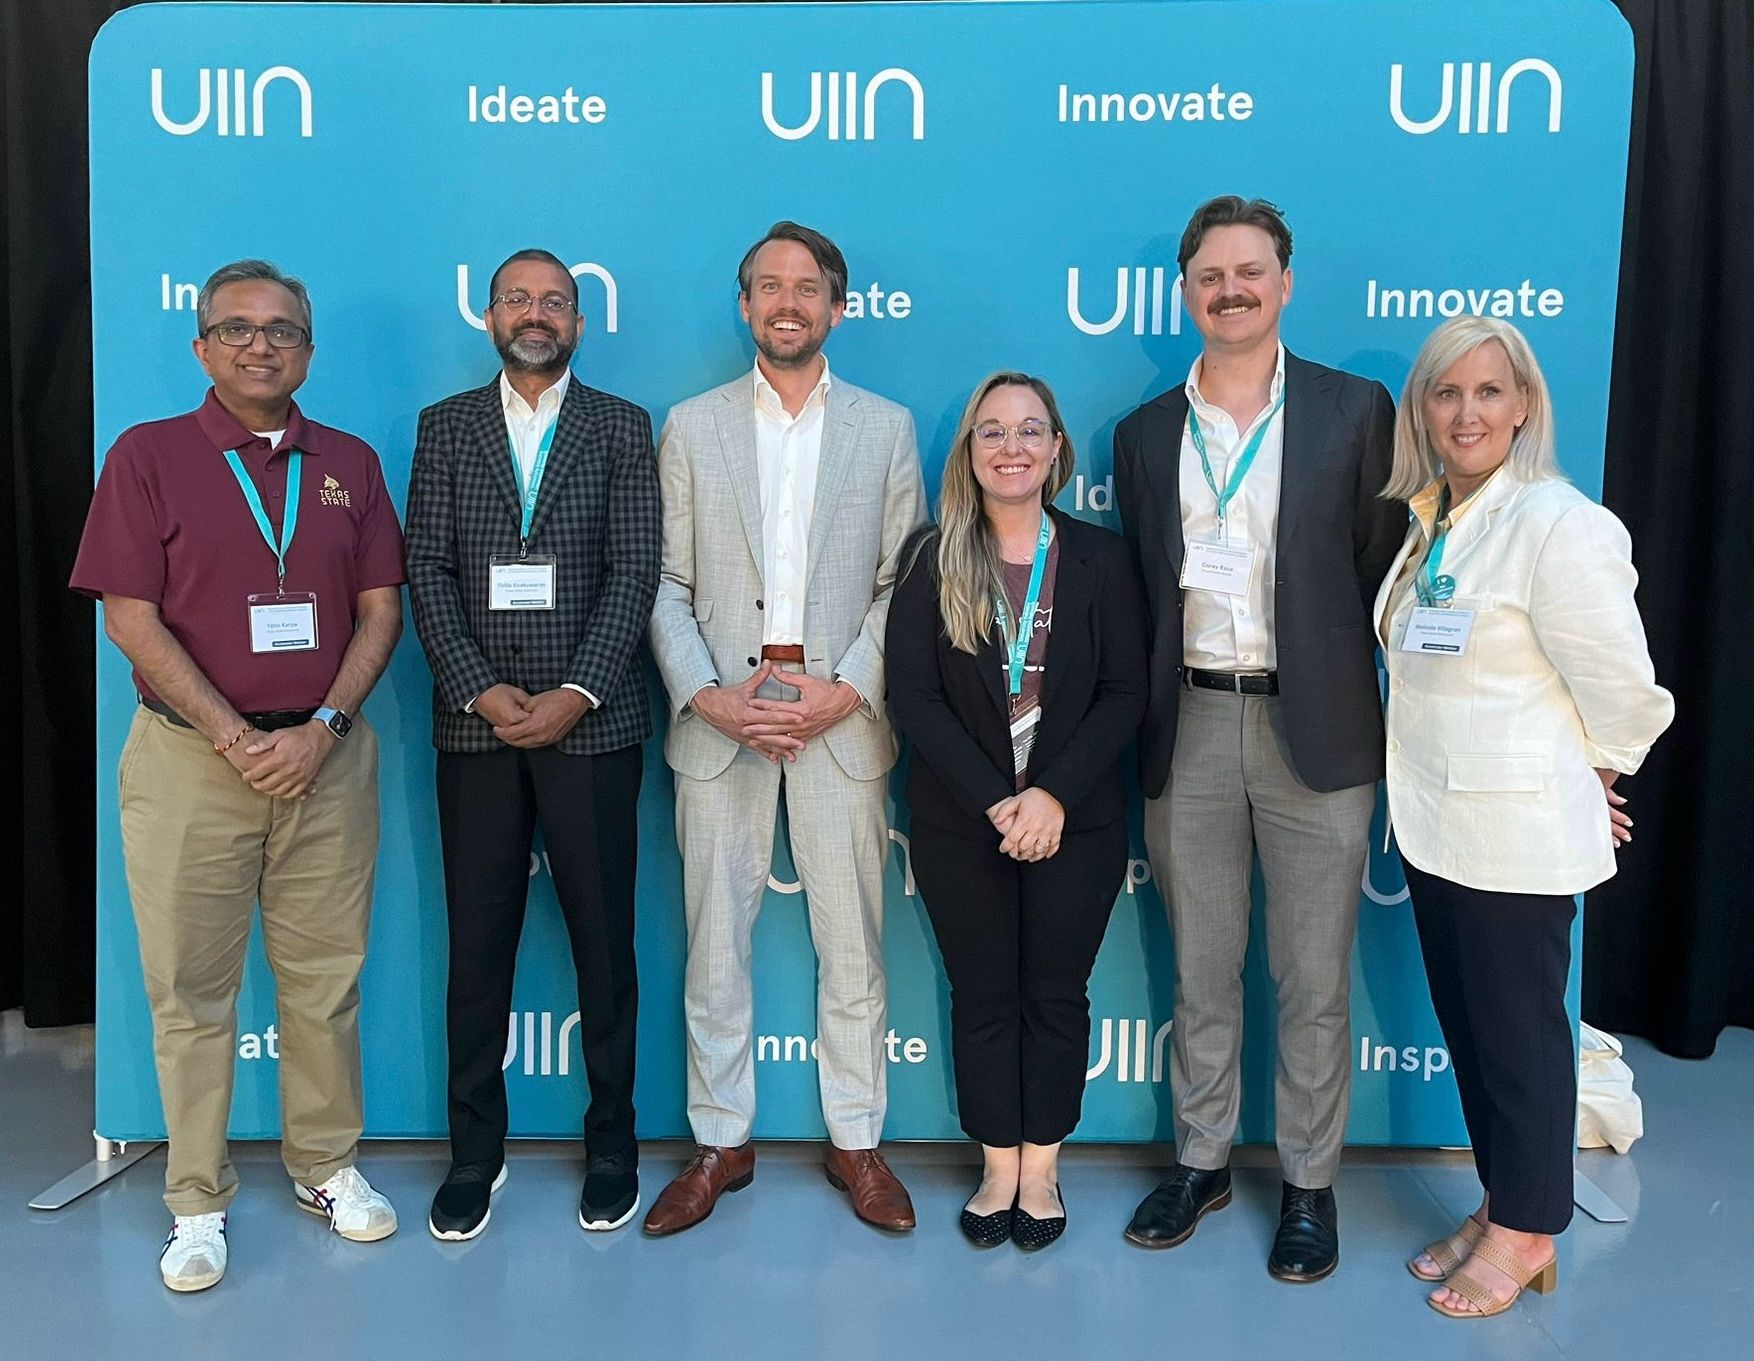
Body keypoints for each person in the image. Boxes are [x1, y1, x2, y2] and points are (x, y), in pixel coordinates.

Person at [70, 259, 405, 1291]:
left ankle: (324, 1166)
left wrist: (321, 725)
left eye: (283, 330)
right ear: (202, 345)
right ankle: (195, 1199)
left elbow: (380, 608)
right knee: (190, 990)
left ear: (308, 348)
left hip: (326, 760)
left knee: (323, 982)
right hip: (190, 762)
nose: (262, 345)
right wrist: (233, 734)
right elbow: (129, 614)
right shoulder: (149, 456)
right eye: (238, 328)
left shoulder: (346, 459)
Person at [1113, 196, 1405, 1280]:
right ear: (1183, 291)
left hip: (1317, 729)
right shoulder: (1144, 434)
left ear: (1283, 284)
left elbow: (1379, 569)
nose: (1228, 289)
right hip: (1185, 720)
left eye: (1249, 271)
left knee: (1310, 975)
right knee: (1201, 968)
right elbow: (1145, 585)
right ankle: (1198, 1158)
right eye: (1208, 275)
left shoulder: (1353, 409)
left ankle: (1308, 1183)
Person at [1375, 316, 1672, 1318]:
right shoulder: (1439, 519)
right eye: (1445, 393)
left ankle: (1532, 1223)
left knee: (1520, 1037)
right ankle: (1503, 1201)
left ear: (1523, 407)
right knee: (1473, 1028)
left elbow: (1624, 685)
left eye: (1486, 392)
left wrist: (1593, 769)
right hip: (1434, 822)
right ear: (1424, 410)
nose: (1464, 412)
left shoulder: (1556, 521)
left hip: (1512, 833)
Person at [645, 221, 926, 1235]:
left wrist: (845, 688)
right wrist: (709, 695)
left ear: (836, 307)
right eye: (766, 285)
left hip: (839, 718)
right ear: (743, 304)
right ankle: (721, 1139)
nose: (786, 302)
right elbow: (664, 583)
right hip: (719, 717)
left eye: (806, 287)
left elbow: (905, 583)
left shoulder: (884, 428)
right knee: (712, 945)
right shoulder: (691, 424)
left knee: (851, 943)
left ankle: (856, 1137)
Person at [405, 248, 660, 1241]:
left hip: (591, 725)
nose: (535, 313)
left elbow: (634, 569)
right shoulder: (444, 427)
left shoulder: (621, 426)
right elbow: (424, 568)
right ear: (488, 314)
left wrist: (574, 690)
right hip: (475, 729)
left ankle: (611, 1146)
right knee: (477, 951)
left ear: (580, 321)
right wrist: (477, 687)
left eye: (555, 300)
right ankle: (475, 1153)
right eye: (518, 297)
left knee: (604, 948)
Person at [886, 373, 1146, 1250]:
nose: (1012, 445)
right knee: (985, 995)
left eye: (1031, 429)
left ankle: (1044, 1168)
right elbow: (914, 699)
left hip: (1078, 820)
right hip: (966, 821)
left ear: (1057, 450)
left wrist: (1051, 794)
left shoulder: (1103, 559)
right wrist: (1001, 799)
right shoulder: (932, 558)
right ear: (970, 451)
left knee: (1056, 994)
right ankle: (999, 1165)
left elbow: (1124, 693)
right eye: (992, 430)